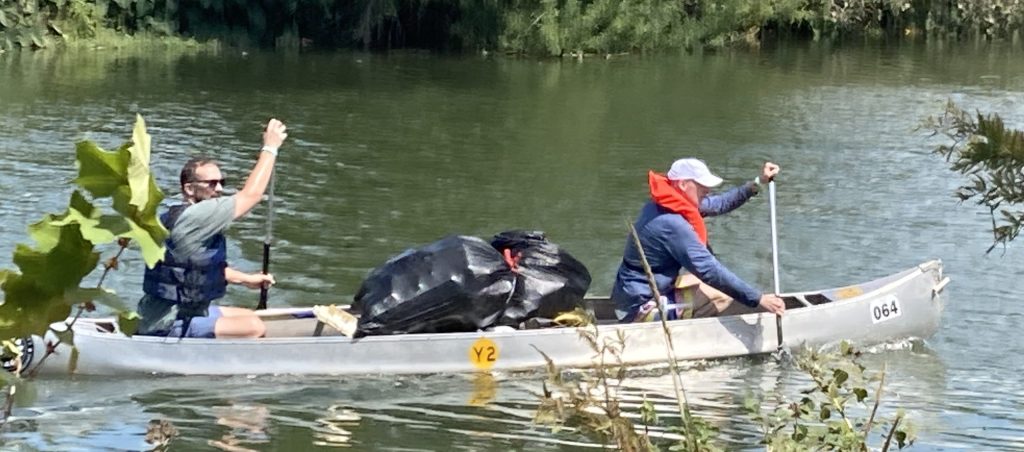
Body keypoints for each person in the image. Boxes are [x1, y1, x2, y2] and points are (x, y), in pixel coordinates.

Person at [136, 118, 288, 339]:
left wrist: (246, 279)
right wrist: (270, 147)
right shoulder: (197, 216)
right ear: (189, 189)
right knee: (255, 326)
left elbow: (193, 270)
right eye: (211, 184)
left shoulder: (173, 215)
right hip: (166, 323)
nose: (219, 189)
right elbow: (251, 195)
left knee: (248, 315)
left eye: (221, 183)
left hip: (179, 313)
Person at [611, 157, 787, 322]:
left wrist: (757, 183)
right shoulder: (672, 224)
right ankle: (684, 335)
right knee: (721, 294)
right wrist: (759, 299)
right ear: (683, 184)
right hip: (640, 306)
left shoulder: (665, 204)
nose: (708, 190)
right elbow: (709, 270)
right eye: (701, 185)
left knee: (703, 282)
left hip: (631, 294)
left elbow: (719, 204)